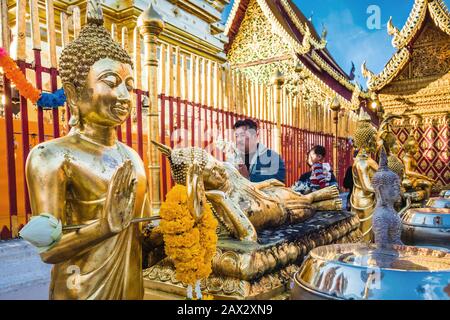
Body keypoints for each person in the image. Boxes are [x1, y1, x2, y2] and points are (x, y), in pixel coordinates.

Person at [233, 119, 286, 184]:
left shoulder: (273, 158)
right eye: (236, 136)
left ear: (254, 136)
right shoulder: (233, 159)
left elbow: (278, 181)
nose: (238, 140)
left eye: (242, 135)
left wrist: (248, 177)